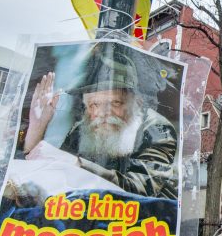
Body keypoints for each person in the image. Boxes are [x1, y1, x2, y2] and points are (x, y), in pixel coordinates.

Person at [22, 43, 178, 199]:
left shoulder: (157, 129)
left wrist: (75, 164)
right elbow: (48, 174)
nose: (102, 113)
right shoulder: (85, 127)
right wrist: (37, 129)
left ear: (137, 103)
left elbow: (141, 188)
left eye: (115, 103)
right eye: (95, 104)